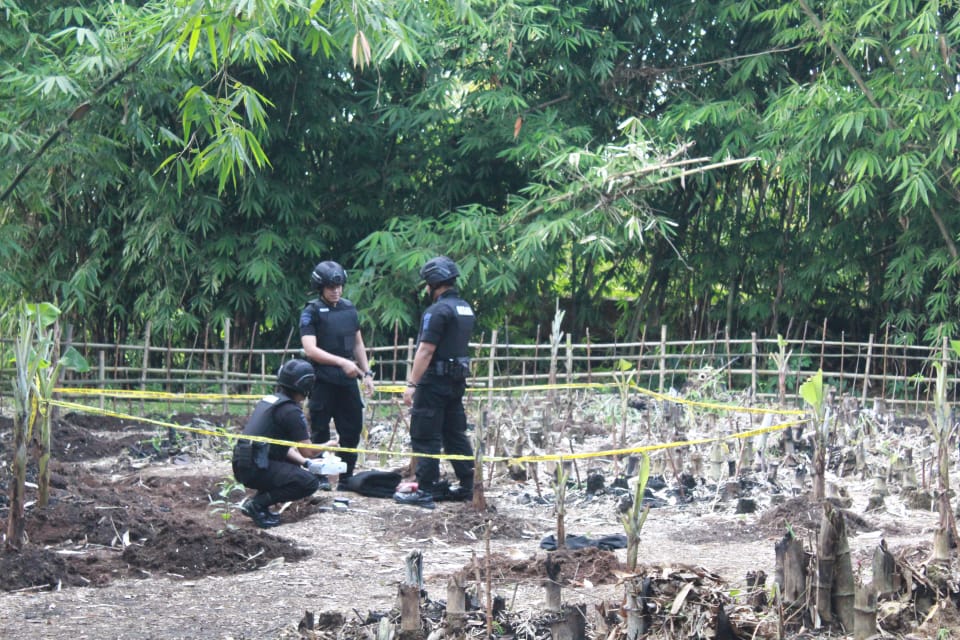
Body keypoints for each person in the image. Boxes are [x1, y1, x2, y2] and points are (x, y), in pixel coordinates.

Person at [395, 255, 476, 508]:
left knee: (425, 434)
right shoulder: (465, 308)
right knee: (454, 433)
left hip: (434, 383)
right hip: (456, 381)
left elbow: (426, 350)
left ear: (432, 283)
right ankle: (467, 484)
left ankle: (425, 490)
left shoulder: (437, 311)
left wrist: (412, 384)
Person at [299, 260, 375, 486]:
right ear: (320, 288)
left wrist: (367, 373)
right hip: (322, 379)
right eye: (331, 287)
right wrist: (341, 362)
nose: (336, 291)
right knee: (319, 429)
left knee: (352, 428)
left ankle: (346, 476)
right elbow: (310, 349)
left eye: (339, 287)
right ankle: (319, 476)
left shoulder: (349, 309)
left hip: (348, 379)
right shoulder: (311, 312)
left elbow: (358, 344)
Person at [232, 359, 333, 528]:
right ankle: (256, 505)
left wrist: (306, 463)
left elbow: (280, 448)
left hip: (244, 464)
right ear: (306, 385)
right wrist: (328, 445)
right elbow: (307, 451)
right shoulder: (291, 411)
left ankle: (259, 505)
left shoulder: (270, 401)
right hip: (256, 468)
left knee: (293, 466)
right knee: (309, 483)